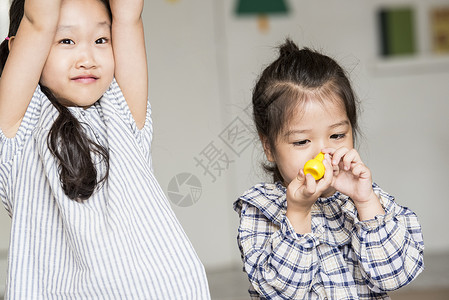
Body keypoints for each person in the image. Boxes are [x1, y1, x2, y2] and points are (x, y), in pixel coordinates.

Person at [0, 0, 210, 298]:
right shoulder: (18, 125)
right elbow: (38, 20)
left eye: (101, 40)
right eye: (66, 40)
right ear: (19, 48)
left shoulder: (121, 108)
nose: (87, 58)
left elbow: (127, 14)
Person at [233, 39, 424, 299]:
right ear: (269, 147)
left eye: (337, 135)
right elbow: (278, 291)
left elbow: (396, 275)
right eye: (302, 141)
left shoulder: (366, 199)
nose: (323, 153)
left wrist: (366, 202)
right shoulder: (260, 209)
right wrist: (298, 213)